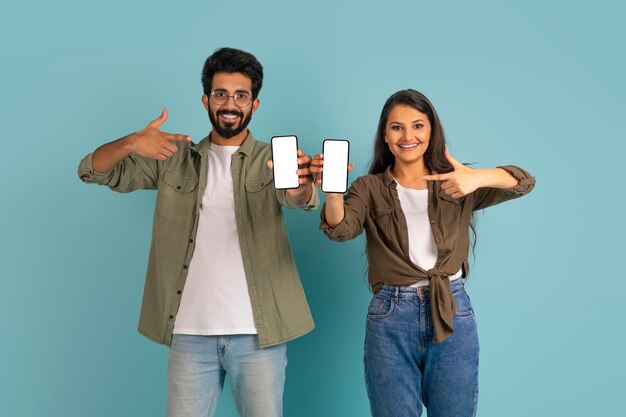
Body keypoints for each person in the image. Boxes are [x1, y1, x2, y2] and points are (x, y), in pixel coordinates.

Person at [77, 47, 318, 417]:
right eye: (221, 93)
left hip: (259, 334)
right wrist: (130, 143)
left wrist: (301, 185)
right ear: (206, 99)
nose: (230, 103)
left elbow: (301, 199)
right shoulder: (172, 156)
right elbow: (92, 170)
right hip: (189, 334)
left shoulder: (272, 158)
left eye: (241, 95)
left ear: (255, 105)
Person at [310, 89, 535, 417]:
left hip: (452, 311)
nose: (407, 135)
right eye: (397, 127)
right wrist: (331, 193)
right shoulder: (369, 188)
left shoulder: (458, 183)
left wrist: (477, 178)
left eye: (418, 125)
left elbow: (523, 182)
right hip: (390, 316)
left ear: (431, 131)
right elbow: (340, 229)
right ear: (385, 136)